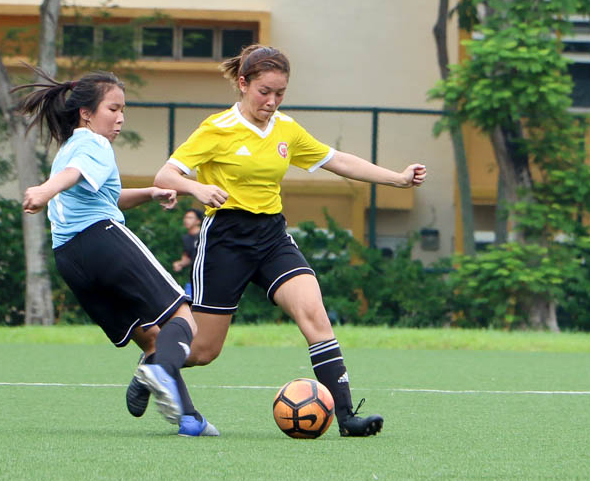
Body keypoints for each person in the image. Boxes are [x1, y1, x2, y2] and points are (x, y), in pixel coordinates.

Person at [150, 44, 427, 437]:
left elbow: (338, 160)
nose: (273, 101)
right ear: (243, 84)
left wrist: (397, 178)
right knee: (204, 351)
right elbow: (165, 175)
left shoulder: (286, 128)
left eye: (280, 93)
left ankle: (346, 418)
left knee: (314, 314)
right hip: (226, 239)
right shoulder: (217, 128)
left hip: (272, 237)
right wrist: (196, 189)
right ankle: (155, 359)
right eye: (265, 92)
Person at [14, 66, 218, 437]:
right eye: (113, 109)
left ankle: (189, 419)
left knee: (153, 339)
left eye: (124, 110)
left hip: (71, 259)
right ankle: (158, 372)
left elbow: (103, 195)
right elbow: (72, 177)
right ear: (86, 113)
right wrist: (44, 190)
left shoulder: (69, 149)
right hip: (101, 239)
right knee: (183, 319)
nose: (120, 118)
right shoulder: (93, 144)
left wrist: (150, 193)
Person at [172, 208, 204, 296]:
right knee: (189, 303)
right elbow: (187, 258)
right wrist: (180, 264)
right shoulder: (186, 238)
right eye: (186, 217)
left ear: (198, 221)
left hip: (208, 276)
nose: (186, 220)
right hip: (194, 278)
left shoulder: (205, 235)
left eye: (190, 218)